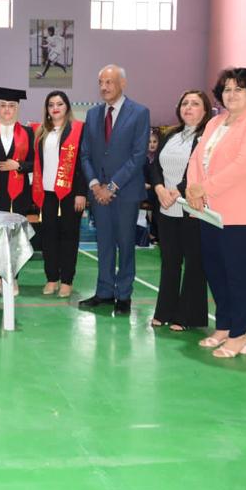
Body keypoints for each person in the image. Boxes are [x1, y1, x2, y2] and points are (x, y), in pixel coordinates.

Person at [187, 68, 246, 358]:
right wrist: (193, 189)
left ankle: (240, 334)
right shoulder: (215, 122)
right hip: (209, 211)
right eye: (227, 89)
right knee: (215, 271)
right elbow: (196, 159)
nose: (231, 94)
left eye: (239, 89)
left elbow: (243, 166)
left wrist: (204, 188)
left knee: (238, 275)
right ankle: (224, 326)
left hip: (241, 215)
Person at [78, 65, 151, 315]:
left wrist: (112, 186)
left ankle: (124, 295)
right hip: (99, 193)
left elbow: (138, 155)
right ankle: (105, 291)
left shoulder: (139, 113)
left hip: (126, 192)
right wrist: (95, 185)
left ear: (123, 84)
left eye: (109, 82)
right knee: (104, 243)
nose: (104, 87)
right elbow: (85, 154)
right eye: (101, 82)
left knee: (126, 244)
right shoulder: (92, 115)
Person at [147, 90, 212, 331]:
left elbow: (203, 170)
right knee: (170, 262)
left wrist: (178, 190)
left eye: (195, 103)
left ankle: (187, 316)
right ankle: (164, 311)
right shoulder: (170, 134)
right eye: (185, 103)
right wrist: (159, 188)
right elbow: (154, 165)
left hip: (192, 208)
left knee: (194, 263)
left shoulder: (207, 137)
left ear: (205, 110)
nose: (188, 107)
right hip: (166, 207)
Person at [0, 87, 35, 295]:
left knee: (14, 239)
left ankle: (13, 279)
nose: (7, 110)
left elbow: (36, 163)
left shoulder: (28, 133)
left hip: (18, 195)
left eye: (11, 106)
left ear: (17, 108)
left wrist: (18, 165)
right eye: (3, 106)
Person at [31, 90, 86, 299]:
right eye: (51, 104)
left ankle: (67, 281)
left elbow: (83, 163)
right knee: (49, 238)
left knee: (69, 238)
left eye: (60, 104)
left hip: (71, 194)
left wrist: (81, 192)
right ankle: (52, 278)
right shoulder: (41, 132)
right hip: (47, 193)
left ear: (67, 107)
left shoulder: (78, 130)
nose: (55, 108)